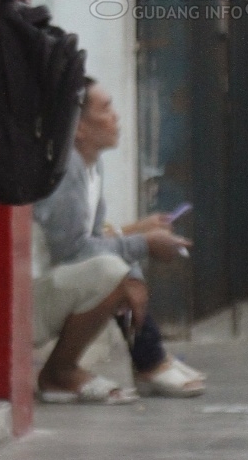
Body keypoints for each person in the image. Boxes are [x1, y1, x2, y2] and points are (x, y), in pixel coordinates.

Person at [30, 82, 202, 401]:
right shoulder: (66, 170)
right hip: (30, 305)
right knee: (114, 269)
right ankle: (62, 372)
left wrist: (137, 232)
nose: (116, 118)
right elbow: (74, 252)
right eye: (106, 109)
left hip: (57, 290)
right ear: (78, 128)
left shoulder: (93, 166)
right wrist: (144, 244)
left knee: (118, 262)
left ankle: (150, 359)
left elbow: (94, 241)